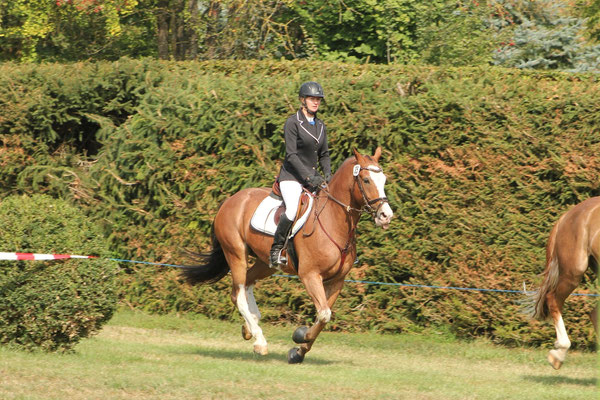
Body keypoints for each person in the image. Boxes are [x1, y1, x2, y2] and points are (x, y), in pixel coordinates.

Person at [269, 81, 332, 267]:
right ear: (303, 100)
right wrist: (308, 176)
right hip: (292, 177)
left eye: (318, 99)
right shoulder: (292, 122)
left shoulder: (320, 125)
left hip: (312, 178)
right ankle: (276, 249)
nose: (316, 102)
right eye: (312, 99)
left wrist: (327, 173)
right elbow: (291, 155)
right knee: (292, 209)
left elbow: (324, 154)